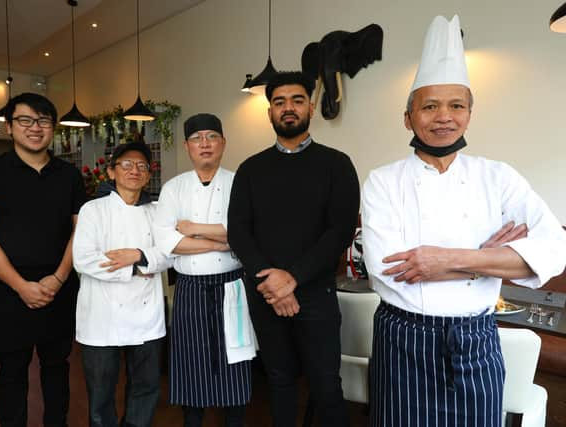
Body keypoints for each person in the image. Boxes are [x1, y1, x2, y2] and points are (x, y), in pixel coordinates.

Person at [361, 15, 566, 427]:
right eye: (430, 106)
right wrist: (490, 259)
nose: (444, 117)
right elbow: (388, 271)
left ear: (470, 114)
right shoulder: (382, 181)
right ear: (408, 117)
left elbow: (554, 253)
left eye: (457, 105)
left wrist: (442, 260)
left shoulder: (500, 177)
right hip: (403, 338)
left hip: (478, 339)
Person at [228, 71, 360, 427]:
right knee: (279, 381)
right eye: (279, 102)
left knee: (326, 385)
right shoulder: (250, 169)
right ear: (269, 112)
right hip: (265, 295)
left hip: (316, 294)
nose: (288, 108)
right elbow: (239, 232)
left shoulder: (336, 164)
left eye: (297, 100)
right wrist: (273, 284)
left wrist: (293, 278)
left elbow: (340, 231)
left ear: (311, 108)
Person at [0, 92, 86, 427]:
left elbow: (82, 231)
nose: (35, 128)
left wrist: (59, 278)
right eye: (25, 120)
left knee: (57, 368)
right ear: (9, 127)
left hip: (59, 288)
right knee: (12, 371)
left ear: (53, 127)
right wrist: (21, 286)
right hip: (9, 291)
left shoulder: (70, 176)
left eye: (44, 120)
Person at [153, 113, 253, 427]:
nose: (205, 144)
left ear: (223, 142)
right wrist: (223, 241)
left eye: (212, 136)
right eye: (197, 138)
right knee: (190, 362)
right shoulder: (173, 188)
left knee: (234, 361)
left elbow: (247, 233)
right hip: (190, 286)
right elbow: (167, 240)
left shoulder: (240, 182)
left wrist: (194, 229)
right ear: (187, 146)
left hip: (232, 285)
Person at [72, 142, 171, 427]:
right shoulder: (93, 209)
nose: (135, 170)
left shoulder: (158, 211)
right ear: (112, 172)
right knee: (101, 393)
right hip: (102, 317)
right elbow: (84, 259)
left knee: (146, 387)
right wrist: (138, 268)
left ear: (148, 174)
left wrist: (137, 256)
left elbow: (170, 254)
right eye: (126, 164)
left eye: (141, 166)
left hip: (146, 316)